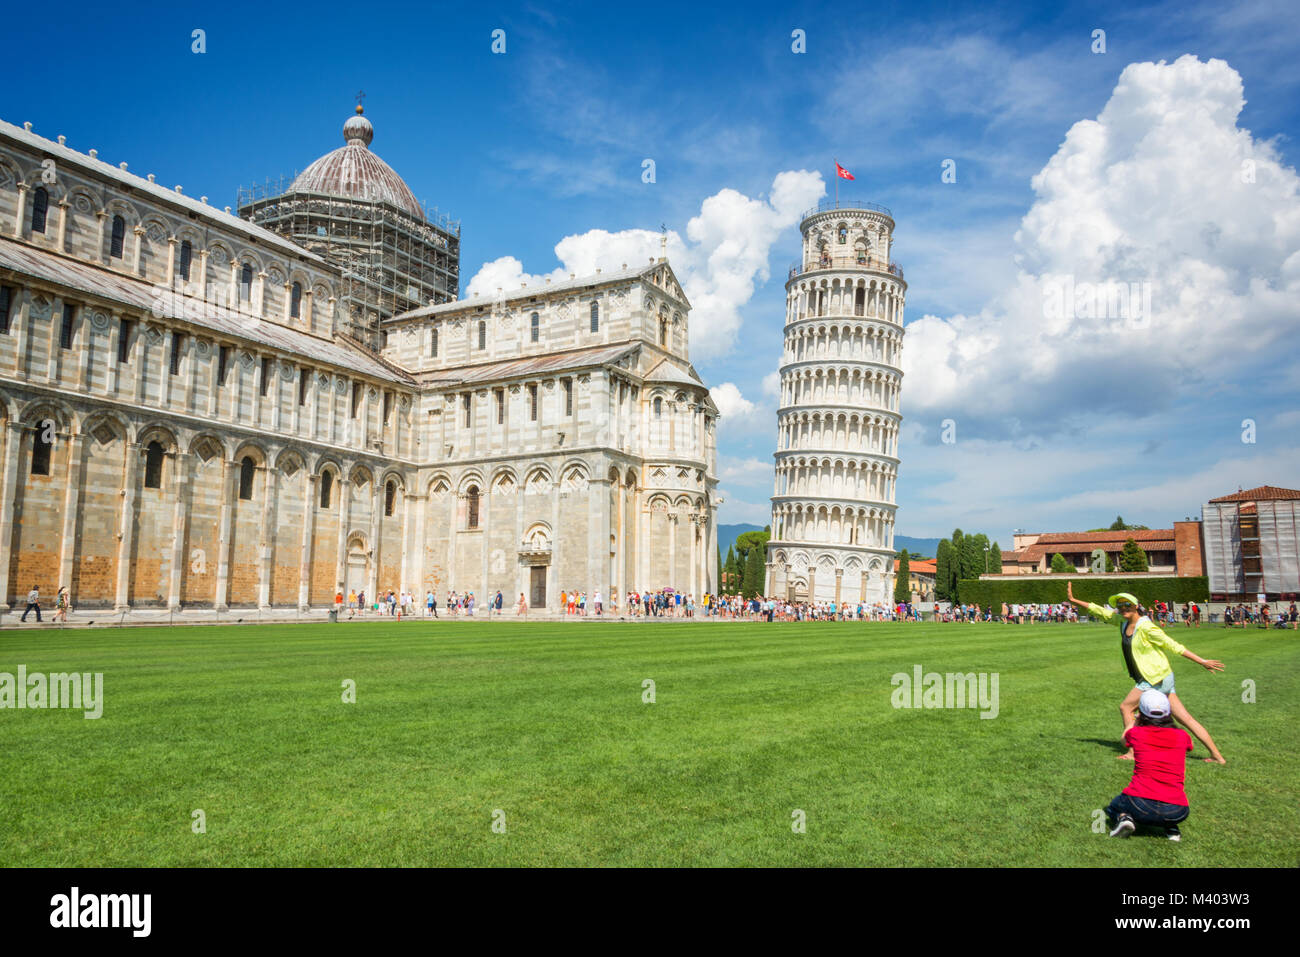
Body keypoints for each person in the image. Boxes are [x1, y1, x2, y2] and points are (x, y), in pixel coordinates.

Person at [1066, 584, 1226, 764]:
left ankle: (1133, 751)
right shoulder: (1122, 621)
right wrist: (1074, 600)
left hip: (1154, 677)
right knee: (1184, 718)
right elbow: (1101, 612)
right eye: (1120, 606)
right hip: (1159, 677)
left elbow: (1172, 645)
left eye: (1127, 605)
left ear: (1136, 606)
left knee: (1126, 707)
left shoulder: (1147, 627)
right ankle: (1217, 756)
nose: (1123, 609)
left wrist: (1201, 661)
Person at [1105, 689, 1193, 841]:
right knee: (1167, 807)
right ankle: (1171, 828)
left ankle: (1125, 819)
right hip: (1178, 810)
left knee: (1113, 806)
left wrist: (1134, 721)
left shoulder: (1137, 733)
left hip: (1139, 803)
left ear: (1141, 712)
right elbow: (1188, 747)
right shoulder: (1182, 736)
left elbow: (1124, 740)